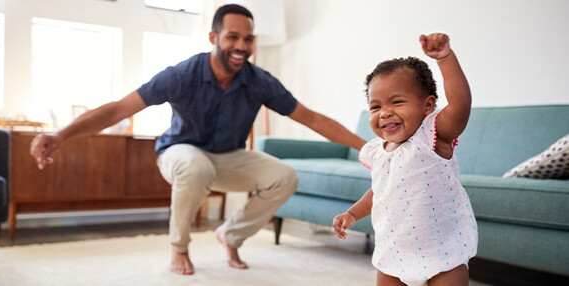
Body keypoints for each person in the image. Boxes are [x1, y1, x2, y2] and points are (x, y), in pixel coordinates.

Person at [30, 4, 366, 276]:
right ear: (213, 36)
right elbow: (119, 108)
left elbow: (311, 118)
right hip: (179, 153)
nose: (241, 47)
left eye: (248, 39)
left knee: (285, 176)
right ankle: (179, 246)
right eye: (233, 37)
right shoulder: (182, 74)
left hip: (228, 156)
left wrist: (367, 147)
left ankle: (230, 235)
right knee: (194, 165)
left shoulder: (259, 81)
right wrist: (60, 135)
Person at [332, 33, 478, 286]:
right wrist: (353, 214)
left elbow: (461, 105)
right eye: (375, 107)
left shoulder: (433, 137)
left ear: (428, 105)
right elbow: (380, 191)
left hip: (442, 251)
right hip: (394, 250)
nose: (385, 112)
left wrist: (445, 60)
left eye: (397, 102)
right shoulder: (378, 150)